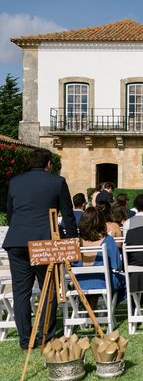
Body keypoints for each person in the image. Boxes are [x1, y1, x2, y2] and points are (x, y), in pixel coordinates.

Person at [2, 148, 77, 350]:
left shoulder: (15, 182)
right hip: (44, 243)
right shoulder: (57, 182)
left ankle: (26, 339)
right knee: (48, 289)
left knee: (21, 293)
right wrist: (72, 241)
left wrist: (20, 231)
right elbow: (68, 215)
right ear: (49, 164)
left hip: (17, 241)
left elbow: (10, 213)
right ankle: (45, 336)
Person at [74, 207, 126, 304]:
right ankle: (109, 308)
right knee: (124, 281)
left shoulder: (76, 242)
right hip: (103, 282)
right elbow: (117, 265)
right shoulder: (108, 240)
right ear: (101, 222)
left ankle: (90, 310)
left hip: (80, 283)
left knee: (92, 281)